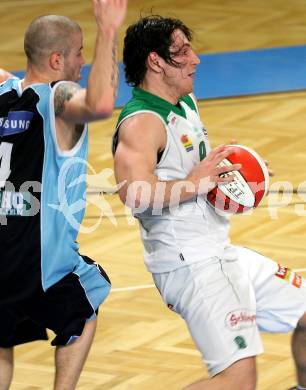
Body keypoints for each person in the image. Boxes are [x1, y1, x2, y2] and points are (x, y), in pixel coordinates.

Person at [113, 15, 306, 390]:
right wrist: (193, 184)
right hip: (193, 266)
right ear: (155, 62)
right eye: (182, 52)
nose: (196, 59)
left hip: (220, 251)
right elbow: (134, 194)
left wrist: (238, 172)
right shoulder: (142, 123)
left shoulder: (184, 101)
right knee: (237, 382)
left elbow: (194, 170)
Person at [0, 1, 127, 389]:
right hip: (36, 260)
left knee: (1, 335)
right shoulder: (56, 98)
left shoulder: (4, 89)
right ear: (57, 60)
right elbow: (101, 102)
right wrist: (107, 30)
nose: (83, 60)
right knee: (88, 296)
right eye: (79, 52)